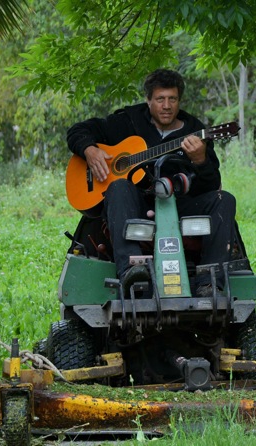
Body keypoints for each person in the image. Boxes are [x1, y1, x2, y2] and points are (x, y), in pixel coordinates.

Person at [66, 69, 237, 297]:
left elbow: (210, 183)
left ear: (179, 101)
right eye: (160, 99)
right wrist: (90, 150)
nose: (166, 106)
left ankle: (209, 282)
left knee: (224, 199)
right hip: (134, 206)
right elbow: (77, 130)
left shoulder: (195, 131)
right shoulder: (127, 121)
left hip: (177, 205)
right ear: (148, 100)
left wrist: (201, 160)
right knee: (118, 187)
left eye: (172, 99)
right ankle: (130, 270)